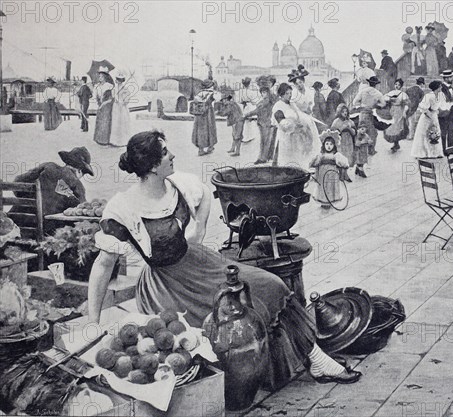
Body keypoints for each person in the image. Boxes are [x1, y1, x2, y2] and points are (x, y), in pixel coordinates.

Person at [88, 130, 362, 389]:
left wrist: (201, 228)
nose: (172, 156)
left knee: (271, 284)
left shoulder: (179, 184)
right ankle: (285, 369)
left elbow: (205, 193)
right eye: (165, 153)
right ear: (151, 166)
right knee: (229, 312)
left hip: (199, 261)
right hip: (166, 284)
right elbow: (102, 266)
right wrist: (94, 321)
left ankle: (316, 360)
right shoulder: (123, 207)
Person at [12, 147, 93, 235]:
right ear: (80, 171)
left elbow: (17, 185)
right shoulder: (77, 184)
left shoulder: (47, 167)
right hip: (46, 230)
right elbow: (81, 212)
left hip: (16, 222)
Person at [271, 83, 320, 168]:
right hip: (285, 136)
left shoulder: (292, 104)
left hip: (295, 136)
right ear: (281, 94)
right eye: (287, 93)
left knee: (296, 157)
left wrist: (303, 123)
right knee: (285, 159)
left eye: (290, 93)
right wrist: (294, 126)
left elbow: (299, 114)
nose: (289, 95)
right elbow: (281, 122)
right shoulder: (278, 106)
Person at [310, 131, 349, 209]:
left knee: (331, 186)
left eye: (331, 144)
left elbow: (344, 163)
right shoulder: (321, 155)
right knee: (323, 186)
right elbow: (314, 162)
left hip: (332, 173)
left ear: (334, 145)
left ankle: (330, 200)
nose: (329, 146)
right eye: (327, 144)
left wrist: (341, 164)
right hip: (322, 173)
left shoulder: (336, 155)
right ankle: (323, 201)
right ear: (323, 145)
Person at [352, 76, 389, 156]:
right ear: (376, 84)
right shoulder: (378, 93)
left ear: (368, 83)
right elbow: (383, 104)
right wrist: (375, 105)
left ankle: (360, 148)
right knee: (373, 132)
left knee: (361, 130)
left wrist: (362, 105)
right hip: (370, 113)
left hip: (362, 113)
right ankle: (371, 150)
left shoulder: (363, 91)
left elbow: (354, 102)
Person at [411, 80, 444, 159]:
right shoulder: (428, 96)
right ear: (437, 87)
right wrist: (431, 117)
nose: (441, 88)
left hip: (434, 116)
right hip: (426, 117)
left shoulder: (440, 95)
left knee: (435, 133)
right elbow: (424, 109)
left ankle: (435, 153)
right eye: (440, 86)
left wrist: (436, 112)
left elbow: (437, 106)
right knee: (425, 134)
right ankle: (423, 153)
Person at [245, 86, 275, 164]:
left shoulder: (266, 101)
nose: (262, 94)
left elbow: (257, 111)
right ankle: (264, 157)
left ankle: (263, 158)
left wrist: (247, 114)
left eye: (264, 92)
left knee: (265, 141)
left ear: (268, 93)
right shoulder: (265, 101)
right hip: (262, 123)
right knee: (264, 141)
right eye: (262, 92)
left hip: (266, 123)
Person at [191, 79, 218, 156]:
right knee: (210, 129)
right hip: (208, 114)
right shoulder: (212, 94)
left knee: (200, 131)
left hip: (199, 115)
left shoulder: (199, 94)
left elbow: (195, 101)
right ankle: (210, 147)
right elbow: (221, 98)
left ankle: (200, 149)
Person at [383, 79, 410, 153]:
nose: (397, 86)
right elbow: (384, 99)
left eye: (398, 85)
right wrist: (388, 100)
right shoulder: (390, 92)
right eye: (396, 84)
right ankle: (395, 143)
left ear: (401, 86)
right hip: (392, 110)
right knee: (391, 127)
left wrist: (404, 111)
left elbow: (406, 104)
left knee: (397, 126)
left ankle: (396, 143)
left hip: (399, 111)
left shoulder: (403, 94)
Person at [330, 104, 356, 181]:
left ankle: (345, 173)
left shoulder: (350, 121)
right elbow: (333, 132)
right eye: (343, 112)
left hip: (349, 141)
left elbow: (354, 132)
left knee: (348, 156)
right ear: (339, 113)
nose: (345, 113)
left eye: (346, 111)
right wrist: (341, 129)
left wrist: (350, 129)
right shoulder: (336, 122)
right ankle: (342, 174)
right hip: (341, 141)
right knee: (342, 156)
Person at [438, 70, 453, 151]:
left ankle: (450, 148)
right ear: (446, 78)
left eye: (452, 77)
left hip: (452, 113)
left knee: (451, 131)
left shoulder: (452, 88)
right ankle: (443, 149)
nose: (452, 78)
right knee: (443, 132)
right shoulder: (441, 88)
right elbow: (442, 102)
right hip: (444, 114)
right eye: (450, 77)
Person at [93, 67, 115, 146]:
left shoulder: (109, 86)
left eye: (101, 76)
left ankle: (105, 140)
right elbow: (95, 97)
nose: (99, 78)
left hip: (107, 107)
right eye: (99, 76)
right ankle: (99, 139)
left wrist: (103, 104)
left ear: (105, 77)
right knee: (100, 121)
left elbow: (112, 98)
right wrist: (98, 103)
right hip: (100, 107)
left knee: (106, 122)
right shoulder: (97, 86)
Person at [110, 72, 131, 147]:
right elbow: (113, 96)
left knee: (122, 122)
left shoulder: (125, 88)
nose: (117, 81)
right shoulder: (114, 88)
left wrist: (123, 101)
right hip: (116, 107)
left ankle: (123, 141)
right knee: (115, 122)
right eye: (117, 79)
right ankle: (115, 140)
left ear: (122, 81)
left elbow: (127, 97)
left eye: (119, 80)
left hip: (122, 107)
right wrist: (115, 99)